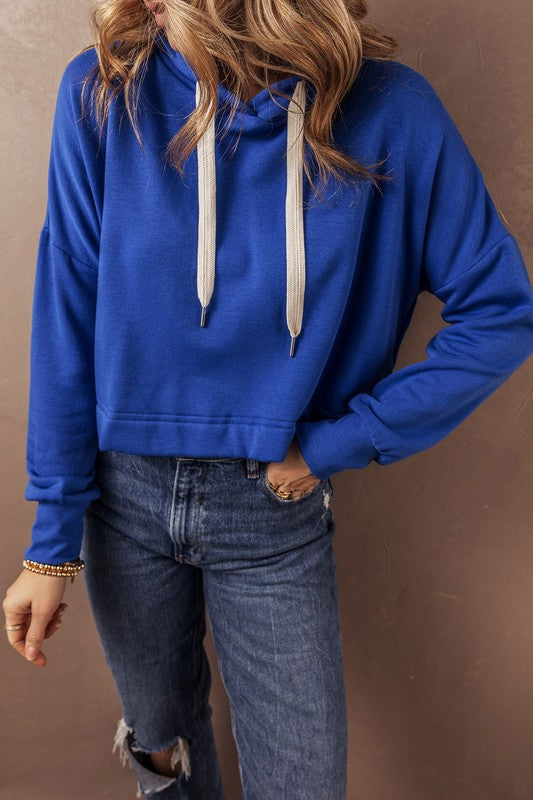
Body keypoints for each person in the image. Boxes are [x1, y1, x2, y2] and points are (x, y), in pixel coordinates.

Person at [4, 1, 533, 798]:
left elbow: (499, 313)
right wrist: (50, 544)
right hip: (121, 498)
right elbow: (65, 316)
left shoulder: (390, 108)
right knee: (162, 754)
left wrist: (333, 445)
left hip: (272, 509)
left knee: (302, 783)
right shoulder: (102, 91)